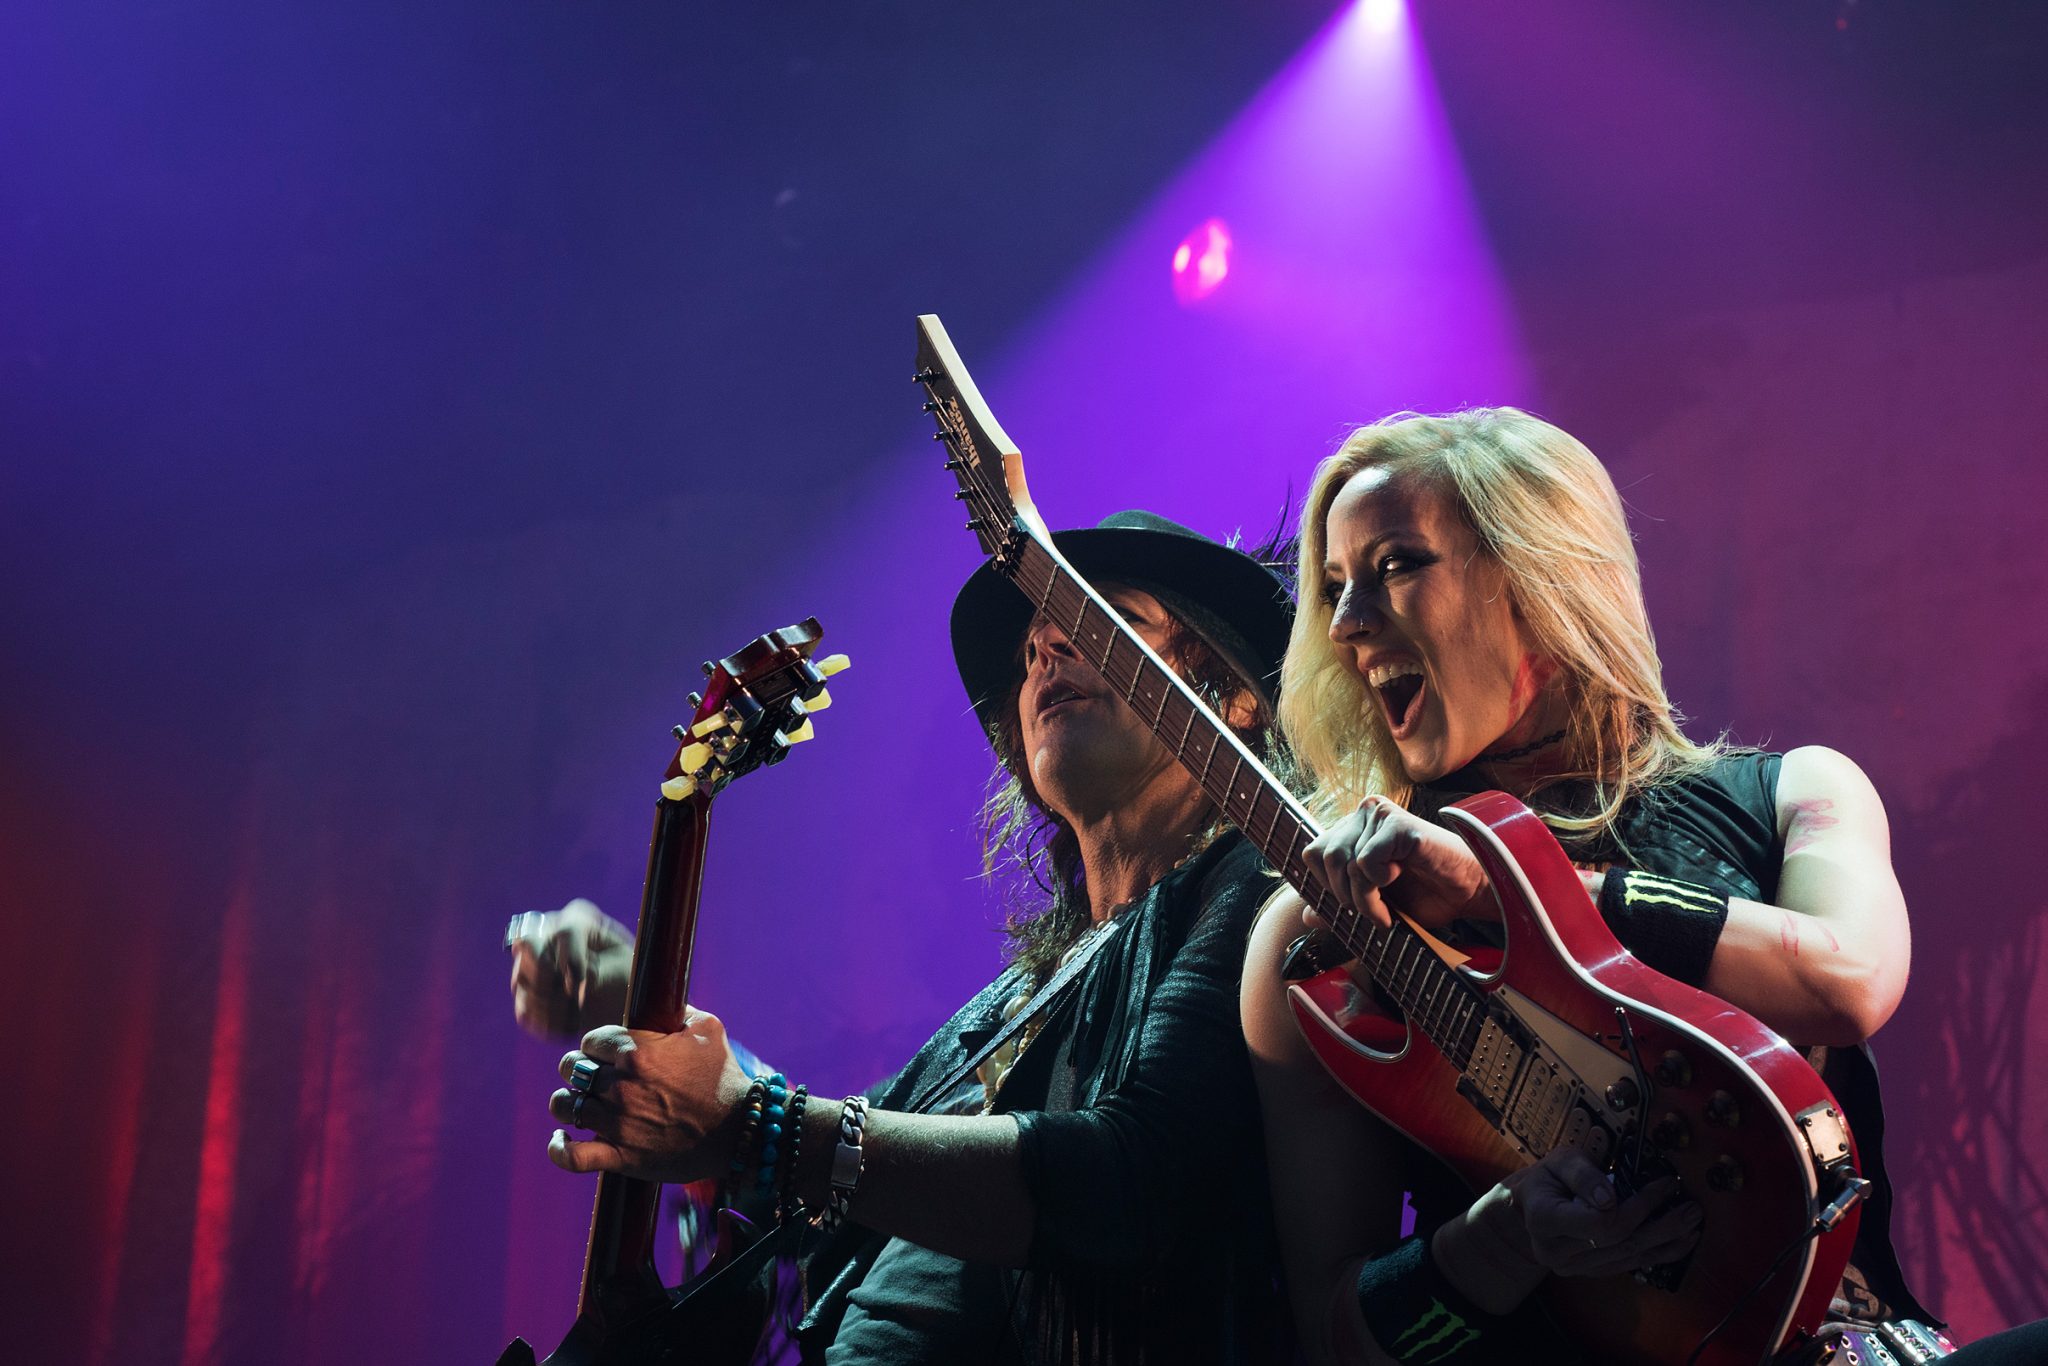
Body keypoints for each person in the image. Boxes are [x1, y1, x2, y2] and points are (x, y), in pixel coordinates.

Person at [1239, 409, 1959, 1364]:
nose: (1345, 622)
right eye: (1334, 587)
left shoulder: (1801, 791)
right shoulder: (1332, 927)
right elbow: (1338, 1343)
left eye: (1396, 565)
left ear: (1536, 580)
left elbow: (1848, 982)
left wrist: (1504, 891)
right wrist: (1493, 1247)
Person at [516, 511, 1295, 1365]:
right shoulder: (1015, 1003)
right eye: (1034, 638)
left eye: (1107, 615)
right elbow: (839, 1171)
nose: (1044, 645)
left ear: (1238, 693)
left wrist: (754, 1122)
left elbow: (1131, 1180)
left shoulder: (1260, 889)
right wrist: (656, 1012)